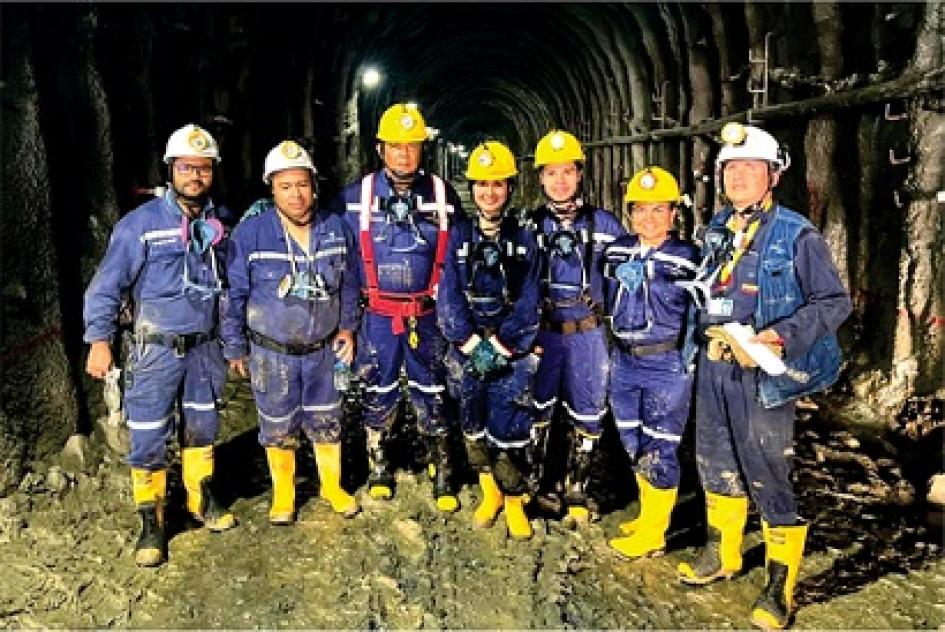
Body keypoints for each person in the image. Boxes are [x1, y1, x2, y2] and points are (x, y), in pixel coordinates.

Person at [675, 123, 851, 630]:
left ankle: (780, 585)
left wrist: (778, 337)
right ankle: (723, 553)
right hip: (715, 365)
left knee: (768, 471)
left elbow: (833, 303)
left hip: (763, 375)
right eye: (731, 168)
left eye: (750, 168)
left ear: (773, 175)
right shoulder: (716, 229)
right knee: (714, 459)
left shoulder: (797, 235)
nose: (739, 177)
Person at [84, 123, 237, 567]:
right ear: (171, 169)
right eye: (187, 168)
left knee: (203, 427)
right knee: (149, 434)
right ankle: (151, 520)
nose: (196, 176)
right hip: (155, 350)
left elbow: (232, 288)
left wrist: (234, 342)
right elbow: (105, 287)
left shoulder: (220, 224)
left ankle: (200, 498)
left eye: (204, 169)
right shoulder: (140, 226)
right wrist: (99, 339)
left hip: (205, 349)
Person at [328, 103, 466, 512]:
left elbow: (460, 258)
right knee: (377, 385)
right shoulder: (354, 199)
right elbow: (343, 262)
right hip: (377, 313)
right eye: (395, 146)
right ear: (379, 149)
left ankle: (440, 465)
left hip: (428, 313)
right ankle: (379, 464)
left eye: (413, 146)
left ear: (423, 149)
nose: (404, 154)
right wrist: (346, 322)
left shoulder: (443, 195)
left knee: (434, 388)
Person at [222, 140, 360, 524]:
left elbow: (350, 285)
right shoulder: (250, 234)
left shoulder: (336, 228)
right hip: (271, 351)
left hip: (323, 349)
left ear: (313, 185)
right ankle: (284, 492)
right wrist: (235, 346)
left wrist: (348, 329)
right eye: (286, 186)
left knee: (327, 419)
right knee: (277, 423)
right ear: (272, 189)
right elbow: (234, 294)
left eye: (302, 184)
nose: (296, 195)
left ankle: (331, 485)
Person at [437, 141, 541, 539]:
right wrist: (467, 343)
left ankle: (514, 500)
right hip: (467, 350)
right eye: (482, 185)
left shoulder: (524, 237)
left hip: (510, 351)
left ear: (510, 188)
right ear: (472, 188)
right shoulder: (460, 235)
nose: (490, 193)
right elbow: (448, 294)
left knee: (510, 423)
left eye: (498, 185)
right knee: (473, 422)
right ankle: (490, 494)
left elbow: (530, 299)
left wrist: (499, 347)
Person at [527, 130, 627, 526]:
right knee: (536, 408)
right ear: (540, 178)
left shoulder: (604, 225)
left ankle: (576, 486)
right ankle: (537, 485)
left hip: (588, 333)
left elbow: (626, 282)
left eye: (567, 172)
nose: (560, 181)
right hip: (544, 332)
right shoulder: (529, 226)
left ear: (580, 174)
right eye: (551, 173)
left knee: (589, 411)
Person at [602, 167, 699, 559]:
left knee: (661, 446)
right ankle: (647, 515)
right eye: (640, 210)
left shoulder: (688, 258)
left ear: (674, 214)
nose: (648, 219)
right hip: (624, 360)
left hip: (666, 363)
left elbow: (703, 309)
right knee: (631, 440)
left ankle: (655, 534)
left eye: (658, 210)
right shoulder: (616, 251)